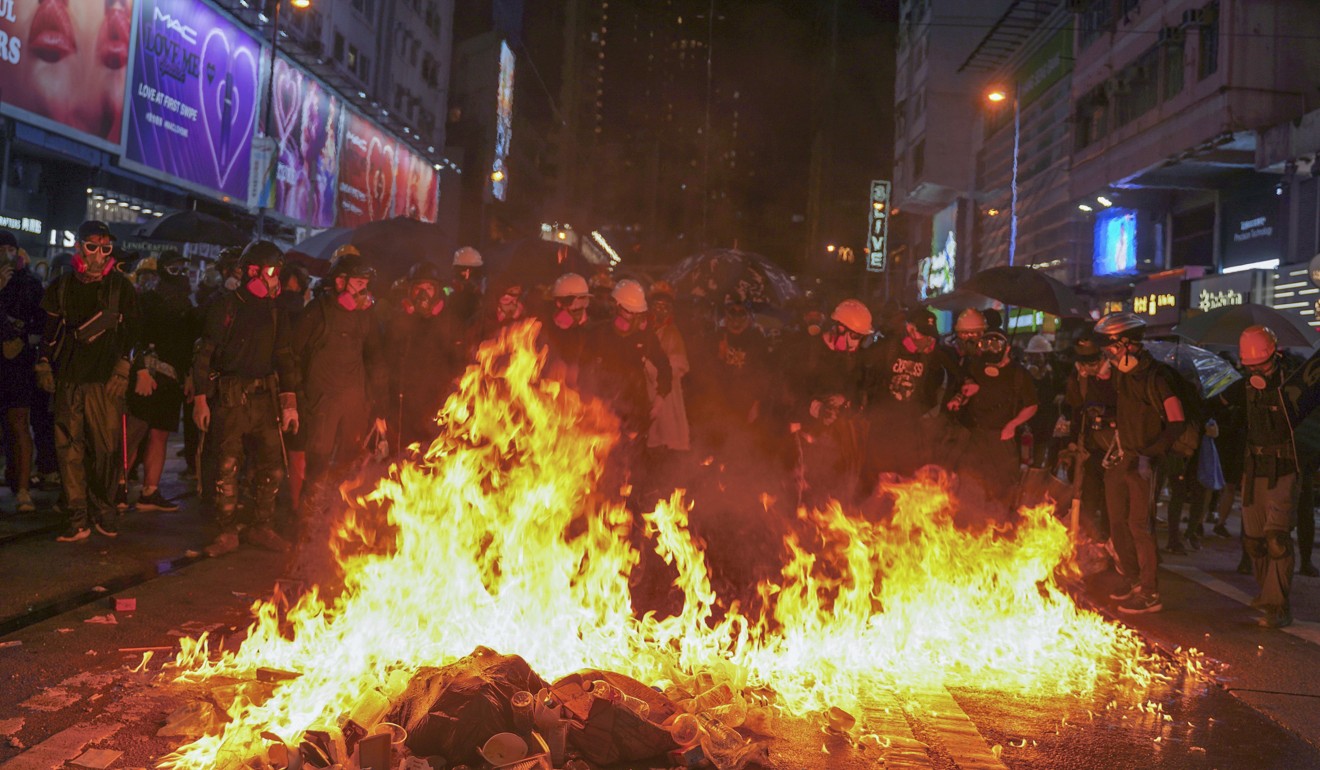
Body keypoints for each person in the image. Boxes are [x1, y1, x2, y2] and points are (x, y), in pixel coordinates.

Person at [191, 241, 300, 558]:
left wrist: (289, 402)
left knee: (273, 467)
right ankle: (226, 531)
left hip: (265, 399)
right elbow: (205, 354)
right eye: (269, 271)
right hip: (230, 398)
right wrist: (201, 399)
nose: (274, 278)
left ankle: (261, 526)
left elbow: (285, 357)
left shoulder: (276, 311)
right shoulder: (226, 306)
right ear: (252, 271)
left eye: (277, 272)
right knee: (226, 466)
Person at [40, 221, 140, 541]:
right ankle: (77, 516)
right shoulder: (62, 285)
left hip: (105, 381)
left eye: (105, 248)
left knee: (106, 449)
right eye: (92, 246)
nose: (98, 254)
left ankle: (104, 511)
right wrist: (43, 362)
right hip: (69, 377)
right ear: (79, 247)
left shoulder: (120, 286)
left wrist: (124, 366)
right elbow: (50, 330)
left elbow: (134, 331)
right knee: (68, 450)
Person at [1095, 311, 1184, 615]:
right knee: (1117, 521)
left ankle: (1150, 592)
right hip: (1125, 456)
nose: (1108, 353)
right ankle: (1132, 580)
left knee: (1139, 526)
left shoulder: (1159, 377)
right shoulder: (1123, 373)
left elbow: (1176, 421)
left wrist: (1151, 454)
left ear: (1129, 344)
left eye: (1112, 347)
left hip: (1146, 461)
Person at [124, 250, 197, 512]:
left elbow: (190, 345)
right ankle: (116, 489)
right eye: (173, 269)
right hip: (149, 376)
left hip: (172, 380)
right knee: (135, 432)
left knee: (160, 434)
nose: (179, 274)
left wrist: (189, 375)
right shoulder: (148, 301)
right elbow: (135, 337)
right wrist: (141, 371)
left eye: (183, 269)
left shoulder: (186, 306)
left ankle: (150, 491)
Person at [1238, 325, 1297, 628]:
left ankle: (1278, 606)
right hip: (1254, 466)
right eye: (1249, 366)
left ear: (1273, 355)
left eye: (1258, 365)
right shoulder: (1244, 386)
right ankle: (1266, 592)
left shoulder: (1294, 382)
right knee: (1255, 541)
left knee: (1277, 539)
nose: (1254, 371)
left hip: (1285, 467)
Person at [786, 299, 871, 506]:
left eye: (860, 338)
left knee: (838, 494)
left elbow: (861, 391)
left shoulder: (854, 358)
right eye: (854, 336)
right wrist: (816, 408)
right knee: (806, 490)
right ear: (839, 328)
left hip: (839, 439)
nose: (856, 343)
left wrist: (847, 401)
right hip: (807, 435)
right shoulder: (809, 351)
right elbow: (787, 392)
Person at [862, 307, 957, 480]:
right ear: (910, 330)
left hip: (910, 430)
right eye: (923, 334)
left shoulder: (930, 354)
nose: (928, 340)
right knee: (877, 481)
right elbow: (860, 368)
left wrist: (936, 408)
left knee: (907, 482)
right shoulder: (888, 347)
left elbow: (955, 371)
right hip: (881, 428)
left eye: (931, 336)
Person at [948, 330, 1037, 506]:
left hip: (1003, 438)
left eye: (996, 345)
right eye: (986, 345)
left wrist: (1012, 425)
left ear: (1007, 348)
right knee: (971, 482)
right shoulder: (975, 367)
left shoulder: (1019, 374)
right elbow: (965, 389)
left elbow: (1032, 406)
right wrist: (960, 398)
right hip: (975, 436)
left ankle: (1002, 525)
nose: (990, 349)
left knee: (1003, 488)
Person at [388, 261, 464, 450]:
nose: (423, 294)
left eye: (429, 288)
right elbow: (385, 363)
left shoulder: (450, 322)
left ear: (437, 291)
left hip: (437, 406)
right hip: (404, 408)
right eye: (418, 288)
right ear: (409, 291)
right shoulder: (397, 322)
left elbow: (459, 364)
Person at [0, 231, 45, 512]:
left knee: (19, 423)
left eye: (10, 248)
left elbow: (40, 321)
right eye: (2, 248)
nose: (7, 253)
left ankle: (24, 488)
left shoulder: (29, 282)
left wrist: (22, 338)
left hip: (18, 363)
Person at [1062, 336, 1117, 542]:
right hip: (1091, 447)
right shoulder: (1079, 379)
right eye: (1084, 364)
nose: (1089, 368)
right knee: (1089, 496)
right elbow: (1076, 410)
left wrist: (1107, 414)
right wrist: (1073, 440)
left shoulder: (1118, 376)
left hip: (1115, 447)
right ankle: (1087, 540)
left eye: (1093, 363)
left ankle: (1109, 540)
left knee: (1111, 501)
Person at [646, 282, 691, 456]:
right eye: (657, 306)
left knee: (666, 437)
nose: (661, 311)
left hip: (668, 394)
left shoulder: (673, 333)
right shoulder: (645, 329)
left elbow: (679, 365)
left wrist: (651, 367)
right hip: (646, 390)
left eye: (666, 307)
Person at [541, 272, 592, 388]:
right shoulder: (543, 327)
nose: (578, 310)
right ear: (559, 303)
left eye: (583, 302)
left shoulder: (587, 331)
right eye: (574, 304)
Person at [449, 246, 485, 327]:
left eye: (471, 272)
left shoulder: (481, 294)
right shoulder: (449, 293)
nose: (467, 276)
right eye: (463, 271)